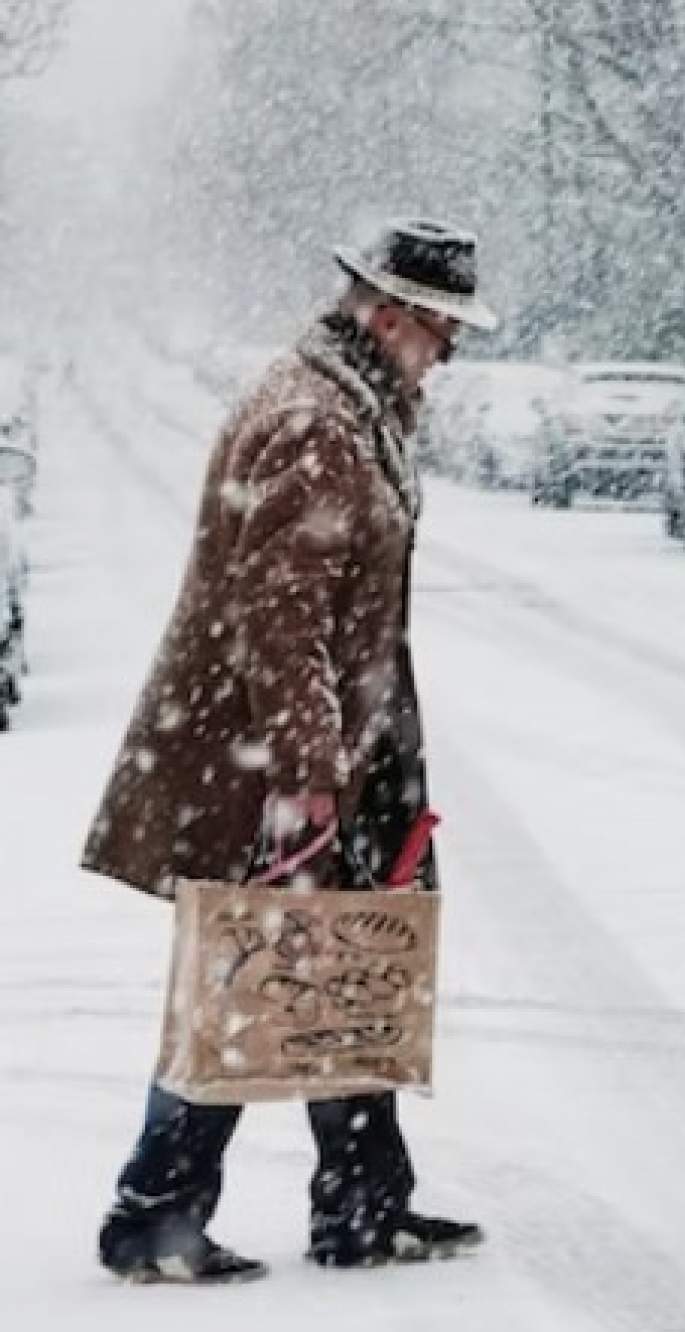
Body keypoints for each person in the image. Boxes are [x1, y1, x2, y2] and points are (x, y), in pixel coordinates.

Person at [82, 218, 499, 1283]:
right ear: (394, 314)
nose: (449, 351)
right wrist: (312, 777)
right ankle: (155, 1214)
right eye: (443, 329)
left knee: (343, 965)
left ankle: (364, 1204)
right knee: (249, 967)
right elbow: (283, 614)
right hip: (285, 759)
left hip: (340, 743)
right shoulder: (317, 419)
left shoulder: (350, 402)